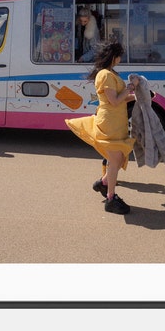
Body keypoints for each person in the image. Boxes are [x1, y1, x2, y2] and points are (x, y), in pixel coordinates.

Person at [65, 42, 136, 215]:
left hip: (116, 121)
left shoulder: (109, 73)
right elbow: (114, 101)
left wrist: (137, 96)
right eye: (119, 56)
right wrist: (130, 88)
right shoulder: (105, 74)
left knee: (118, 159)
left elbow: (119, 98)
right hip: (109, 122)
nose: (120, 59)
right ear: (114, 56)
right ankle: (111, 198)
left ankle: (103, 184)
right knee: (115, 160)